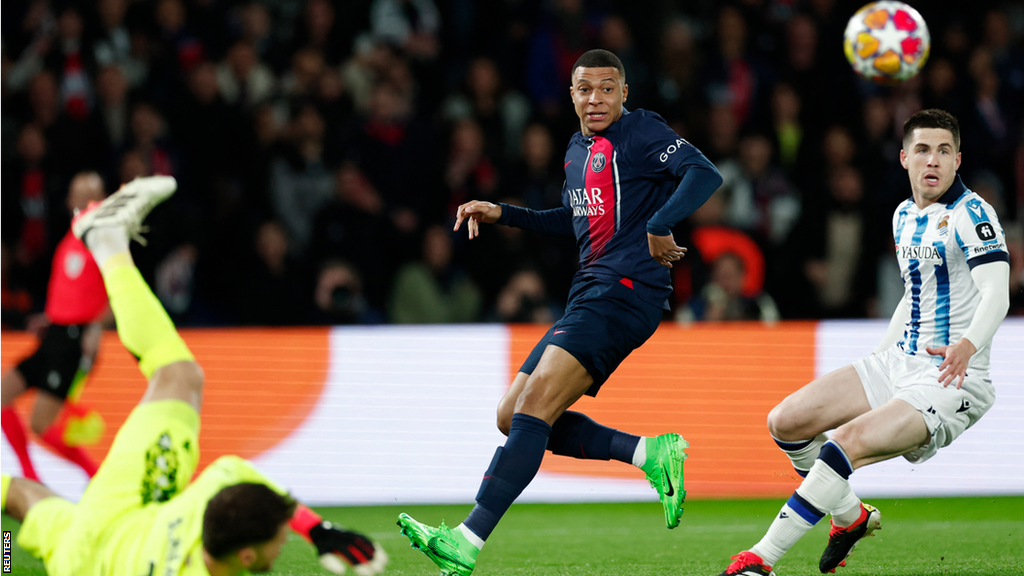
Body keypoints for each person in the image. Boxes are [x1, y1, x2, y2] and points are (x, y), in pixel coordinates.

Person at [398, 49, 723, 576]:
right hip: (589, 292)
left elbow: (704, 174)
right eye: (584, 89)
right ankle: (647, 453)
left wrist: (659, 224)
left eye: (607, 88)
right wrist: (501, 212)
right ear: (571, 95)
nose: (595, 99)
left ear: (624, 93)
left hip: (626, 290)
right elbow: (571, 222)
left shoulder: (641, 131)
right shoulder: (577, 150)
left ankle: (467, 538)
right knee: (512, 415)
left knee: (533, 408)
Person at [1, 175, 388, 576]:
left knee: (175, 375)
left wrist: (315, 528)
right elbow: (21, 498)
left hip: (106, 502)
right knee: (34, 483)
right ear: (246, 558)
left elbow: (231, 472)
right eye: (279, 539)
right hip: (77, 553)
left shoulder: (190, 518)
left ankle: (109, 243)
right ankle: (108, 240)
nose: (279, 545)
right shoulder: (175, 526)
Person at [718, 109, 1010, 576]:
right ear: (904, 158)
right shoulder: (903, 215)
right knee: (786, 422)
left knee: (845, 442)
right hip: (899, 360)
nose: (932, 160)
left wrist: (968, 345)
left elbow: (998, 291)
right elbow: (913, 295)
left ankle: (761, 560)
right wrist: (882, 357)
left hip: (952, 377)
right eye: (922, 150)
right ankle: (850, 517)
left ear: (958, 159)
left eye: (943, 150)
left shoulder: (972, 213)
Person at [0, 171, 110, 481]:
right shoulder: (71, 237)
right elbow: (76, 289)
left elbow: (117, 293)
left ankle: (95, 476)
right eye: (79, 195)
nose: (86, 202)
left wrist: (94, 328)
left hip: (74, 340)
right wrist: (50, 317)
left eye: (93, 196)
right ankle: (30, 476)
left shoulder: (105, 239)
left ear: (103, 201)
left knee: (40, 425)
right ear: (69, 201)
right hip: (54, 334)